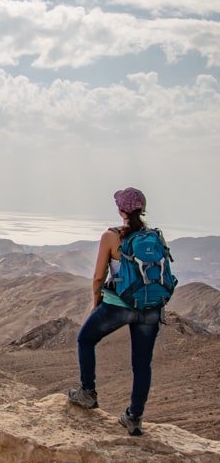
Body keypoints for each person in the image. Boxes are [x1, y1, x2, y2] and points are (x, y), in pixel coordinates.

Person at [68, 187, 164, 436]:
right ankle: (134, 417)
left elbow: (99, 276)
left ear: (121, 210)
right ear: (141, 209)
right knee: (142, 363)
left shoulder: (111, 237)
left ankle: (87, 393)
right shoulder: (156, 237)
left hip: (119, 306)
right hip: (150, 308)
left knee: (85, 339)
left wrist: (96, 302)